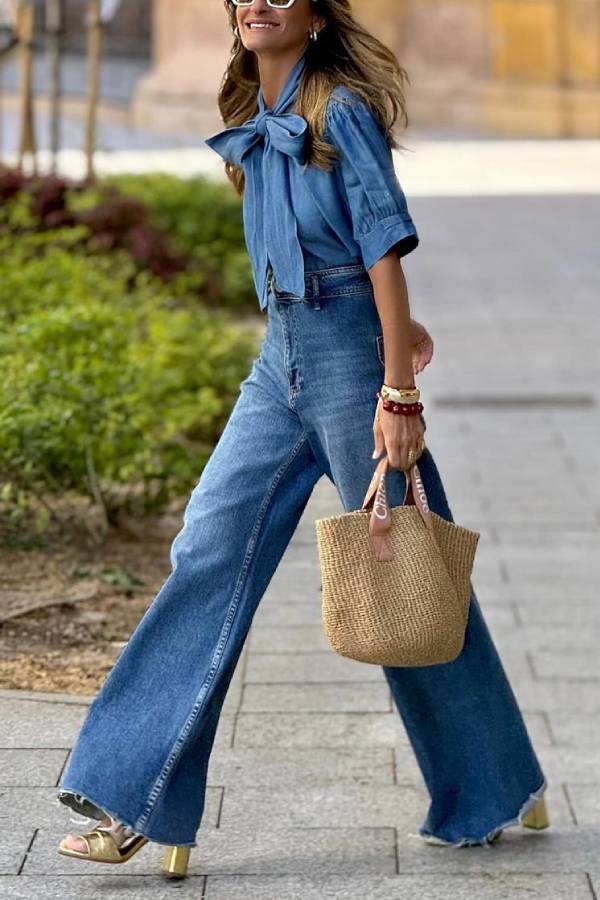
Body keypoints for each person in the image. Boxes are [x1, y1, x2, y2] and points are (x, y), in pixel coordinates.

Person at [56, 0, 549, 879]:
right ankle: (138, 795)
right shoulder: (253, 119)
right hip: (277, 360)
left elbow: (383, 248)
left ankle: (493, 781)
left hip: (352, 374)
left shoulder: (340, 110)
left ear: (315, 15)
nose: (259, 1)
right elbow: (311, 255)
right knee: (207, 545)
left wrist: (396, 385)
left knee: (409, 572)